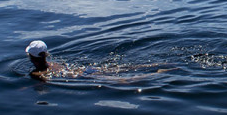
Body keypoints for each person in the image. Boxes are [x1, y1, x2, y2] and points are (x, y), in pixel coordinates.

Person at [25, 40, 176, 82]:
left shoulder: (39, 73)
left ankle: (160, 73)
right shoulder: (53, 63)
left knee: (124, 81)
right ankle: (158, 65)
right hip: (88, 70)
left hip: (86, 76)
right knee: (129, 67)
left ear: (33, 57)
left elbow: (45, 80)